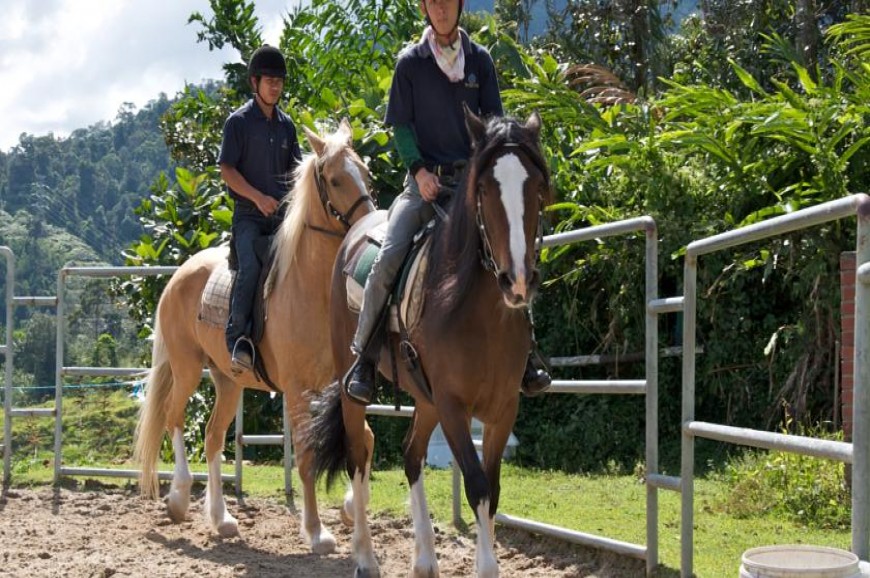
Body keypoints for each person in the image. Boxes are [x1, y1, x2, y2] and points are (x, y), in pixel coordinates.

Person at [343, 0, 551, 405]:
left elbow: (496, 129)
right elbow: (401, 128)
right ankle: (364, 358)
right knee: (389, 256)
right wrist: (419, 172)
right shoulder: (410, 63)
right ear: (425, 9)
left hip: (474, 188)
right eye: (432, 3)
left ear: (459, 6)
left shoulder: (481, 61)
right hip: (424, 185)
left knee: (512, 252)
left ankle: (527, 357)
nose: (440, 10)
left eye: (447, 2)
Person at [219, 45, 303, 373]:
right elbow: (227, 170)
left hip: (281, 217)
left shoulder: (287, 126)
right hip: (249, 217)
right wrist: (257, 197)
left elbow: (297, 173)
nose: (276, 87)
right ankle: (237, 338)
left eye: (280, 81)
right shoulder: (237, 123)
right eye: (270, 81)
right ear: (254, 82)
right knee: (252, 269)